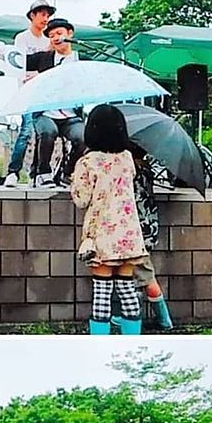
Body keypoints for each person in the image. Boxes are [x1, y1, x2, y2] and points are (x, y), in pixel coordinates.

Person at [71, 104, 148, 335]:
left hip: (101, 236)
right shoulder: (126, 158)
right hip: (128, 235)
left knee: (102, 293)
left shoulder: (87, 162)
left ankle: (100, 344)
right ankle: (132, 340)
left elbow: (81, 199)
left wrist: (73, 180)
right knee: (127, 290)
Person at [27, 18, 87, 187]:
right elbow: (16, 60)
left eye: (59, 33)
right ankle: (42, 173)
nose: (55, 38)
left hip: (71, 115)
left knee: (83, 137)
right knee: (48, 132)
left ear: (70, 34)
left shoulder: (82, 60)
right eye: (51, 35)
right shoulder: (44, 58)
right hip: (46, 112)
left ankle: (68, 173)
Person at [4, 0, 55, 188]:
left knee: (43, 133)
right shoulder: (22, 38)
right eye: (42, 14)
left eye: (48, 15)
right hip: (27, 93)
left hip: (43, 95)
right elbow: (20, 65)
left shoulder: (48, 40)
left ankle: (36, 172)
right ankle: (13, 172)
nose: (45, 18)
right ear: (32, 16)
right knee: (26, 132)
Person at [128, 142, 173, 330]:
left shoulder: (131, 171)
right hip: (149, 226)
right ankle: (159, 318)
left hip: (135, 229)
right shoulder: (146, 169)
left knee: (144, 276)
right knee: (140, 273)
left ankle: (162, 320)